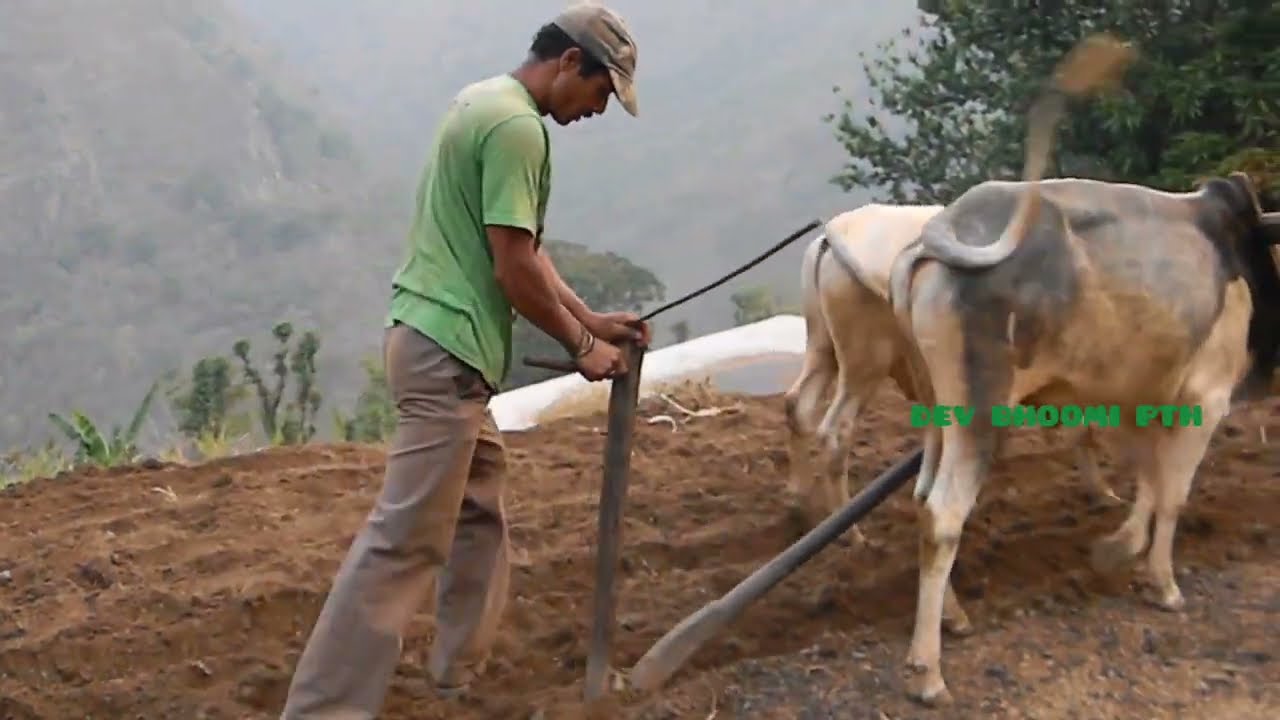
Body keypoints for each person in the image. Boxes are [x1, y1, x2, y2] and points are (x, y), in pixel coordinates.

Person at [279, 5, 647, 718]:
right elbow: (512, 269)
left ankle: (456, 678)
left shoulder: (485, 101)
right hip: (445, 354)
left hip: (435, 345)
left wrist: (591, 319)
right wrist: (582, 350)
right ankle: (324, 710)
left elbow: (526, 251)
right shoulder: (516, 130)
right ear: (570, 63)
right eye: (602, 93)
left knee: (478, 513)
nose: (599, 110)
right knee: (403, 545)